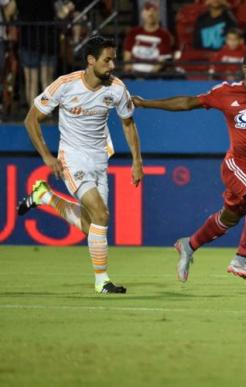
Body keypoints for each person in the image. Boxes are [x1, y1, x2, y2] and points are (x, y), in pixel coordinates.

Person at [132, 48, 246, 281]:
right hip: (236, 166)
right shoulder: (226, 93)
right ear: (245, 70)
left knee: (229, 219)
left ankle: (189, 244)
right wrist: (146, 104)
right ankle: (241, 259)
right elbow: (188, 103)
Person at [17, 35, 144, 294]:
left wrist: (137, 161)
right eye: (107, 60)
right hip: (72, 157)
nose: (112, 66)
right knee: (101, 215)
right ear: (91, 60)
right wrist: (47, 157)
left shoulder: (117, 89)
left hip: (100, 158)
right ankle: (102, 281)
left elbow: (128, 123)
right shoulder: (65, 85)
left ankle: (46, 197)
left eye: (114, 60)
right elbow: (31, 119)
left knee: (93, 226)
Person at [123, 0, 174, 74]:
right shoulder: (133, 32)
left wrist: (149, 75)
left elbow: (162, 61)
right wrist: (129, 71)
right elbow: (127, 56)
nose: (150, 13)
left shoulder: (164, 35)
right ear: (142, 14)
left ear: (158, 14)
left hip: (153, 77)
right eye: (147, 10)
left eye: (154, 10)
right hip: (133, 75)